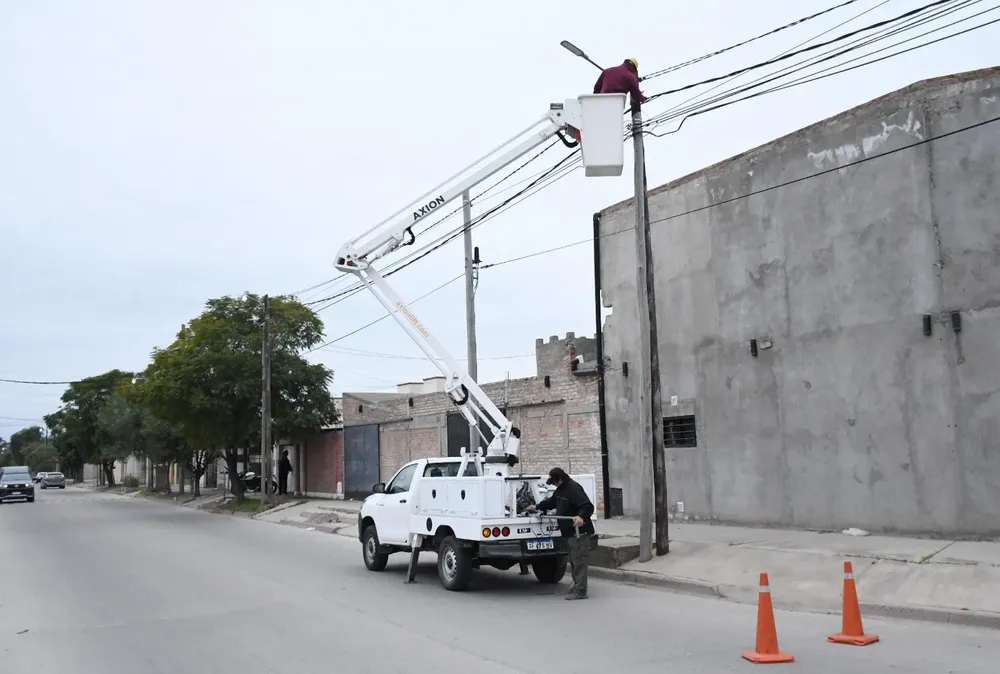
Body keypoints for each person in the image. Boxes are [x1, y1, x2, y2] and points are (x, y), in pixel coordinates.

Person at [525, 467, 595, 600]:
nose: (554, 485)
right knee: (574, 561)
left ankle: (581, 591)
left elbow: (587, 506)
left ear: (560, 479)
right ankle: (577, 586)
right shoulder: (561, 490)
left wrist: (580, 517)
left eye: (554, 482)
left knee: (579, 561)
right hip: (569, 533)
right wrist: (537, 507)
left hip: (579, 532)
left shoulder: (574, 489)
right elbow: (552, 502)